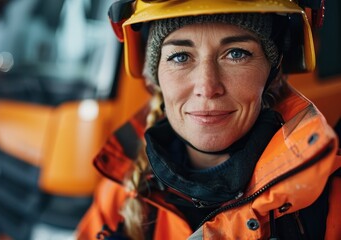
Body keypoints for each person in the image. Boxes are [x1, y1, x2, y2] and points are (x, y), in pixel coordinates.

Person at [76, 0, 341, 239]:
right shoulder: (118, 197)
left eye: (236, 54)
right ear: (157, 77)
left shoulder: (330, 199)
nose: (207, 86)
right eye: (180, 57)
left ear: (271, 71)